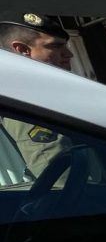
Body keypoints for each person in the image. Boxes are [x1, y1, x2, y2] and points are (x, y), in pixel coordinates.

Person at [1, 11, 76, 180]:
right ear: (23, 50)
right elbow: (61, 180)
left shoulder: (46, 94)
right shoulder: (27, 102)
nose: (69, 55)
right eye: (56, 46)